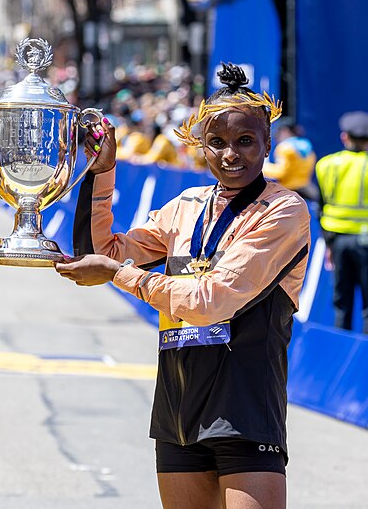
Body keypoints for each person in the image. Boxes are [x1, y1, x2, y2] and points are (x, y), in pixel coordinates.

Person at [56, 63, 310, 508]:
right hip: (176, 407)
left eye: (245, 141)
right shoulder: (185, 206)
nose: (231, 154)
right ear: (200, 149)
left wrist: (119, 275)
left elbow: (210, 301)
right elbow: (106, 251)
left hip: (244, 406)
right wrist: (102, 170)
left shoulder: (284, 211)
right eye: (217, 143)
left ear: (268, 144)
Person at [315, 111, 368, 336]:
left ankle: (341, 354)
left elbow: (321, 208)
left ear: (344, 137)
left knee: (341, 304)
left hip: (337, 243)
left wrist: (328, 245)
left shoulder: (326, 165)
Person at [262, 121, 318, 201]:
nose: (276, 137)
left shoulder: (285, 147)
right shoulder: (306, 145)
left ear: (285, 131)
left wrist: (263, 168)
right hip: (306, 189)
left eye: (277, 133)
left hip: (290, 190)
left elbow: (281, 172)